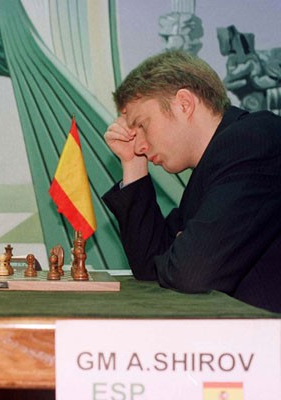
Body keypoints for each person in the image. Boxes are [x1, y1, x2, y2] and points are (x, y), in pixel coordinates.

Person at [102, 50, 281, 313]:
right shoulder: (214, 164)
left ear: (184, 103)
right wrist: (133, 165)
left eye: (142, 125)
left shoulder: (252, 141)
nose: (138, 145)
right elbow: (149, 268)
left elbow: (191, 272)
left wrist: (182, 251)